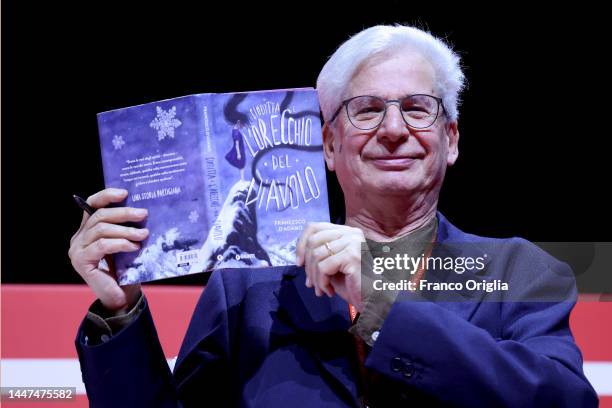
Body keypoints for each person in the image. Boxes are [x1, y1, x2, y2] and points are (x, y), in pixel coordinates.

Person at [69, 24, 598, 407]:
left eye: (417, 108)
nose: (393, 129)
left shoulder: (518, 270)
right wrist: (121, 311)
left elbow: (563, 401)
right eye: (366, 110)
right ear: (327, 144)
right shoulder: (246, 287)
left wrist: (382, 304)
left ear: (450, 139)